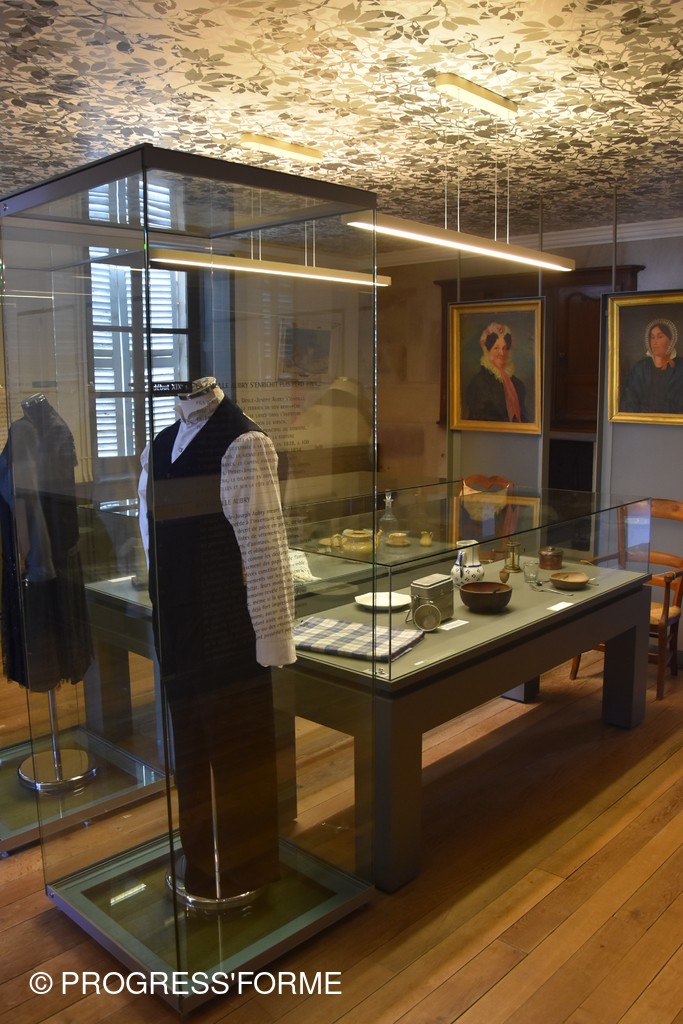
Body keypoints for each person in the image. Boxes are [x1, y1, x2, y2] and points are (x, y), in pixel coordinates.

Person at [138, 377, 295, 904]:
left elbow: (265, 547)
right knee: (188, 745)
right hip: (175, 621)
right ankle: (201, 860)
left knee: (238, 748)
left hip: (228, 624)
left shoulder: (243, 442)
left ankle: (248, 868)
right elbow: (149, 532)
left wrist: (273, 636)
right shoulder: (160, 446)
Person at [464, 322, 529, 423]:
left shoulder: (517, 384)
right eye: (496, 348)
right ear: (487, 351)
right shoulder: (479, 383)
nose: (501, 353)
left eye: (504, 348)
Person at [620, 318, 683, 414]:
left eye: (660, 337)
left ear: (671, 340)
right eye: (652, 337)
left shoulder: (680, 367)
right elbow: (629, 401)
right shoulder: (639, 369)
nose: (655, 342)